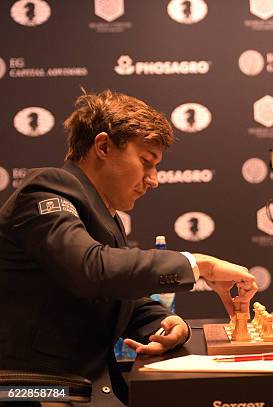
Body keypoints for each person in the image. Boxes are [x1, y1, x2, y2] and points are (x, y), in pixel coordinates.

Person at [0, 90, 257, 405]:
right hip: (39, 391)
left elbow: (111, 294)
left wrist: (165, 323)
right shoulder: (45, 192)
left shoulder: (103, 214)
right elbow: (90, 269)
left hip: (85, 385)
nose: (154, 180)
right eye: (146, 162)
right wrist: (198, 265)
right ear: (103, 146)